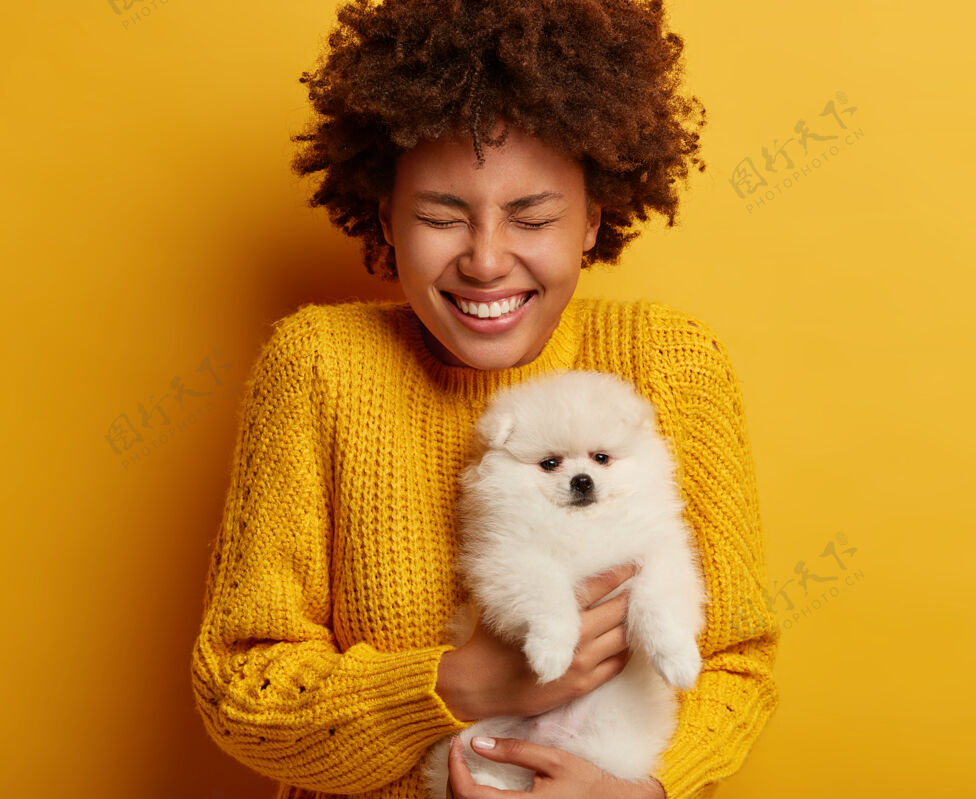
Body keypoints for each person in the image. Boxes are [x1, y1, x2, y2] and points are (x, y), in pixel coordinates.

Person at [190, 1, 780, 797]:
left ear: (592, 219)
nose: (488, 260)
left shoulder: (669, 363)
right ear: (387, 220)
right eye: (441, 216)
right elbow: (240, 688)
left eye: (533, 216)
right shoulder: (318, 366)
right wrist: (462, 686)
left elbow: (738, 662)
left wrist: (641, 790)